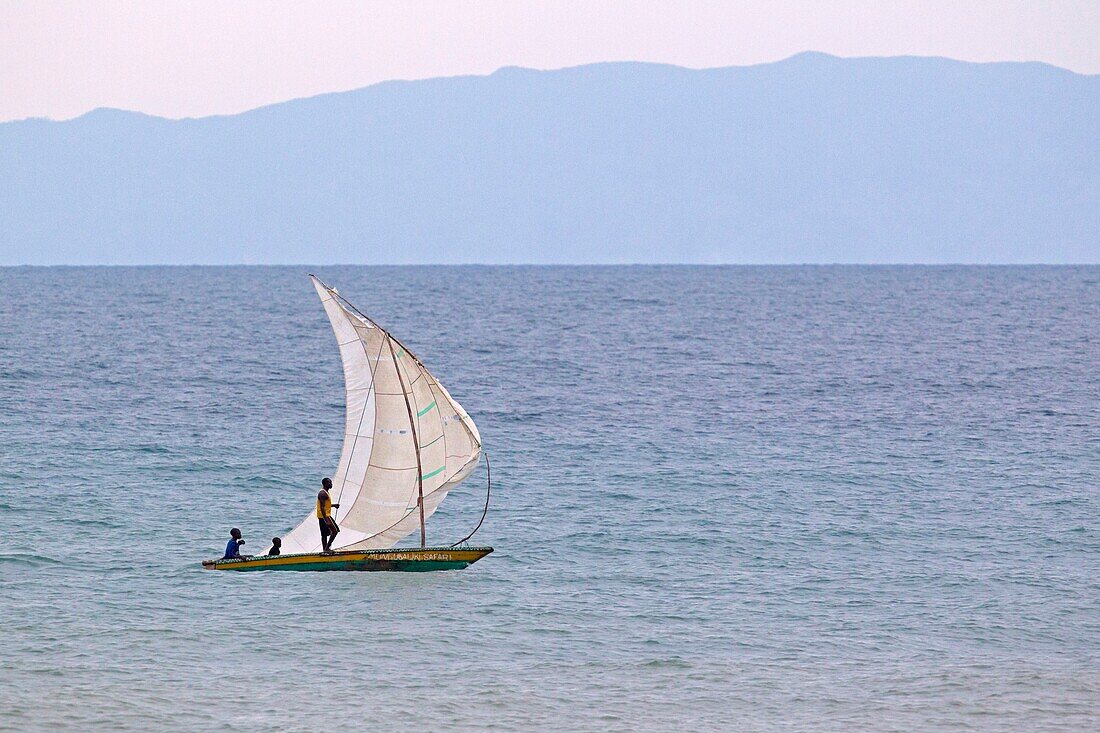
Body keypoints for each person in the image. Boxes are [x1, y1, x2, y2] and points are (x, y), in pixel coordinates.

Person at [317, 477, 341, 553]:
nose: (331, 484)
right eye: (329, 482)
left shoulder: (326, 492)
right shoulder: (322, 493)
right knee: (335, 531)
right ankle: (327, 548)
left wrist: (334, 505)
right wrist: (326, 519)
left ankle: (325, 550)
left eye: (331, 482)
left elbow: (325, 505)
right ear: (324, 484)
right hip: (325, 516)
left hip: (322, 516)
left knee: (324, 534)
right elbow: (322, 507)